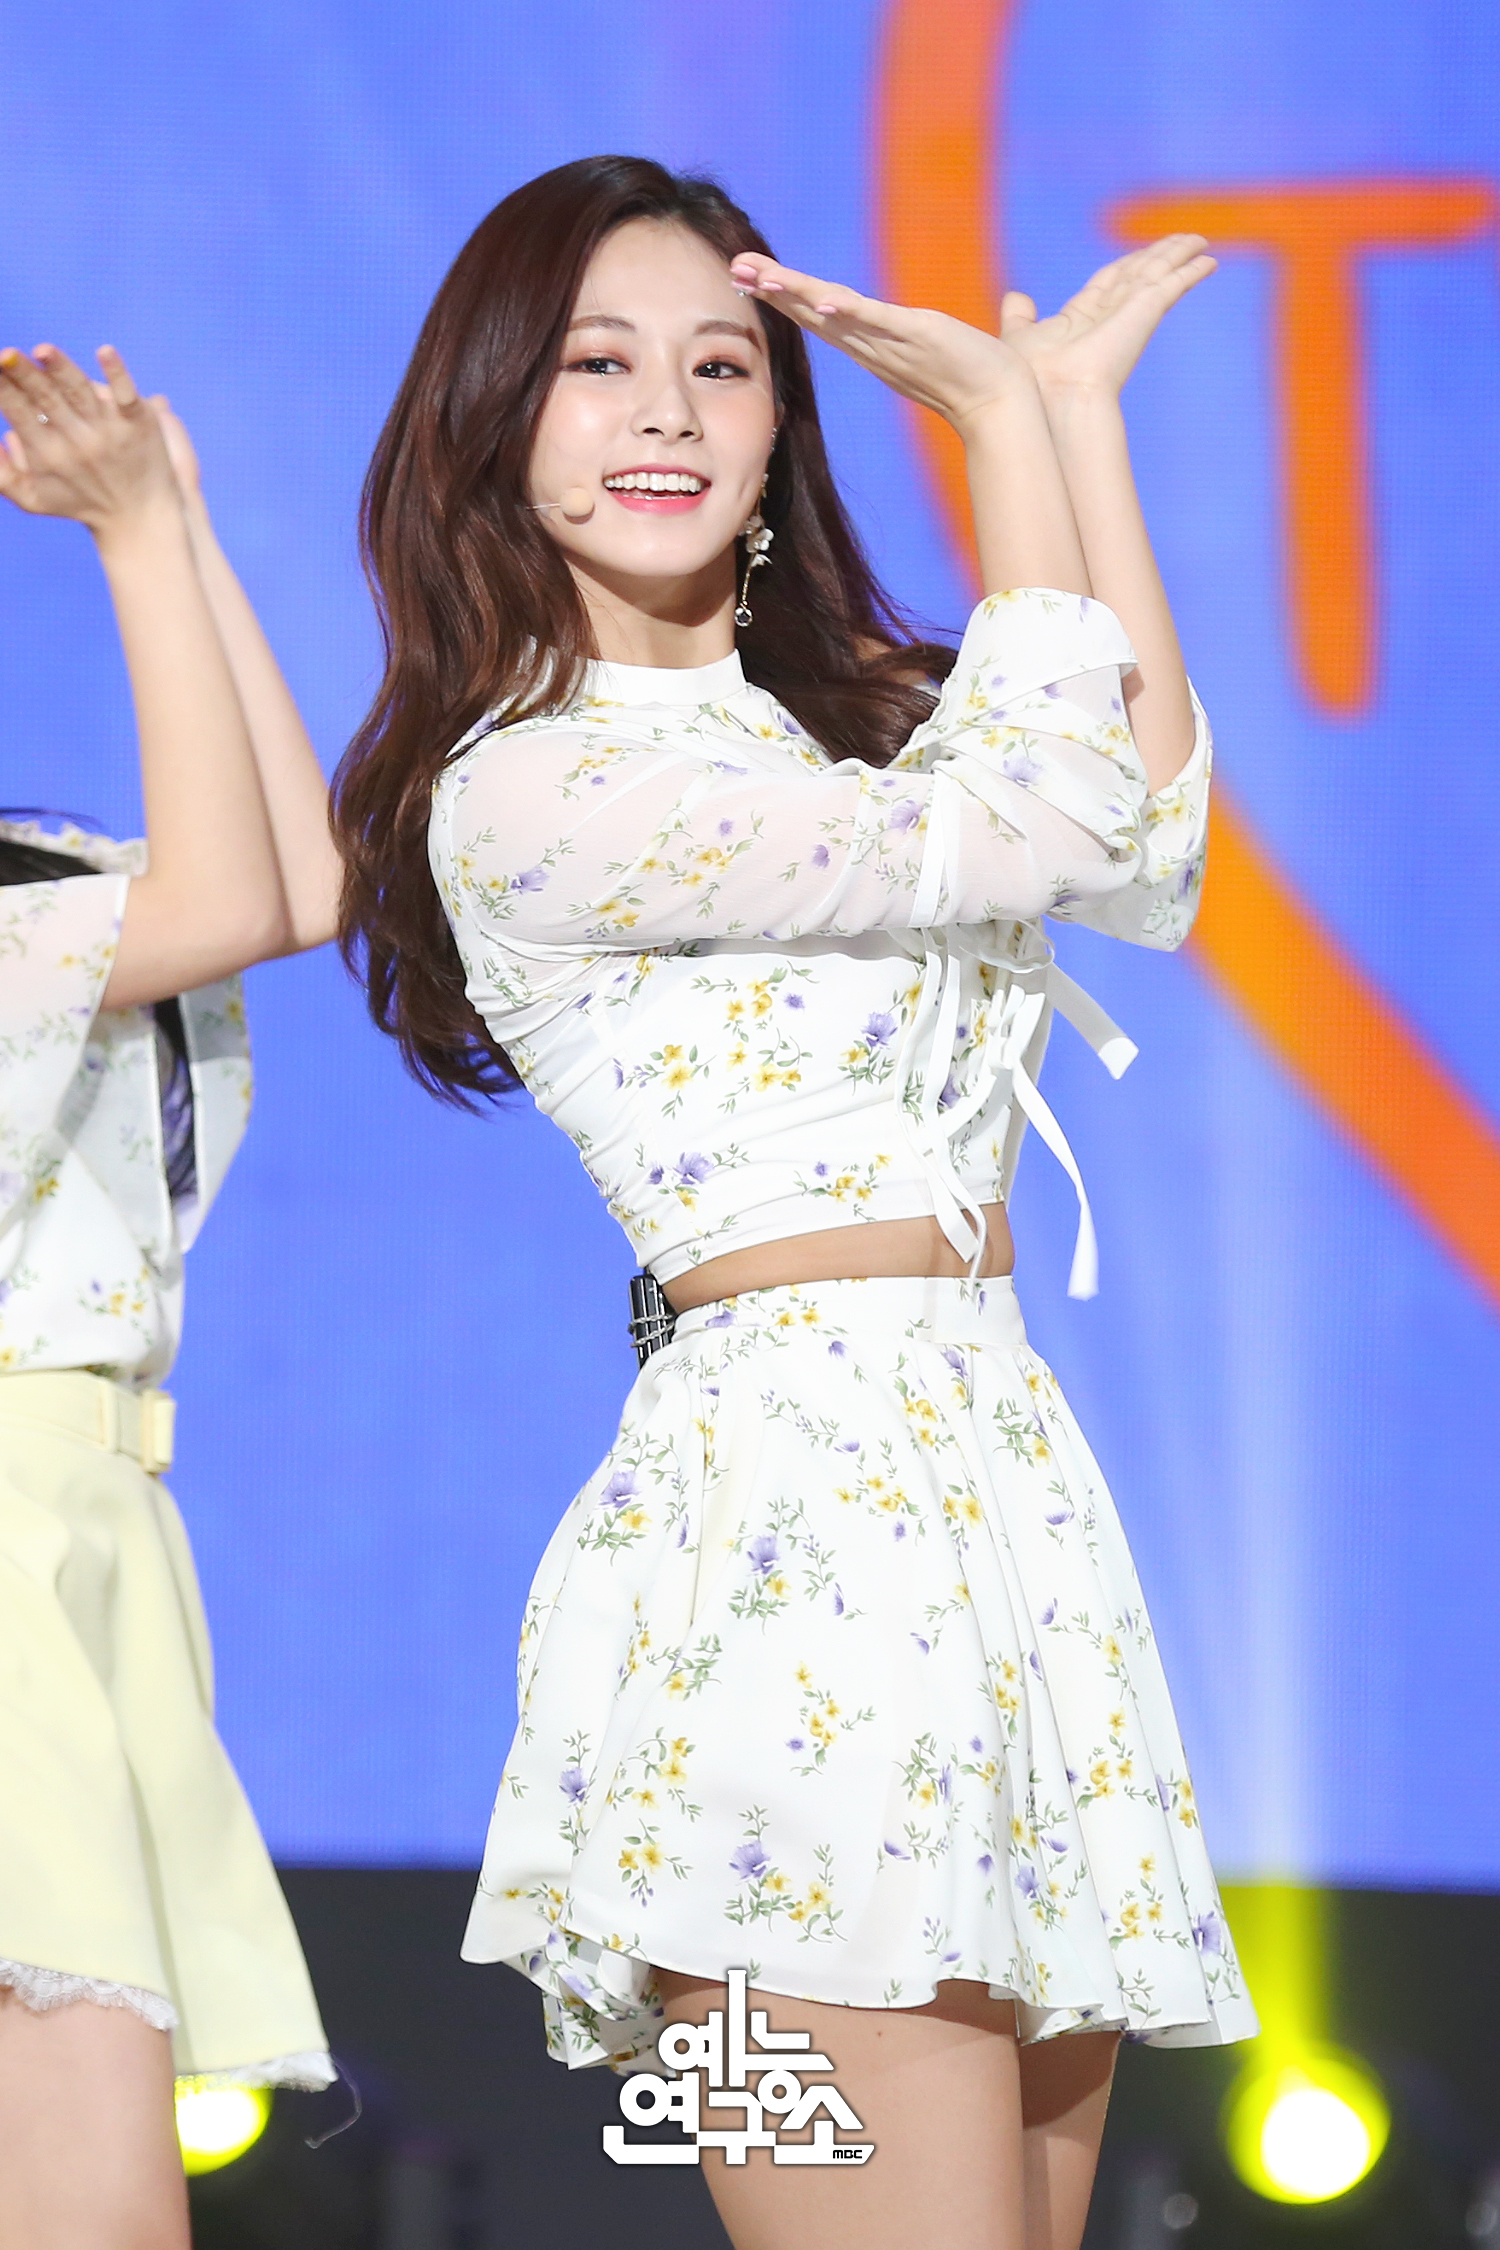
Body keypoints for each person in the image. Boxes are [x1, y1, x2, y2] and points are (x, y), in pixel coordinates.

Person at [333, 155, 1258, 2250]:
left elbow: (1140, 845)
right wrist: (1002, 438)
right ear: (494, 416)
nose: (665, 410)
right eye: (597, 363)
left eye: (722, 366)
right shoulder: (534, 782)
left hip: (995, 1493)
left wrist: (1076, 430)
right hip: (781, 1547)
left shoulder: (832, 740)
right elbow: (1040, 822)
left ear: (775, 430)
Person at [0, 340, 341, 2250]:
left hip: (84, 1538)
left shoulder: (38, 878)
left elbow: (298, 880)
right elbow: (225, 901)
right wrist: (133, 543)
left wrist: (182, 526)